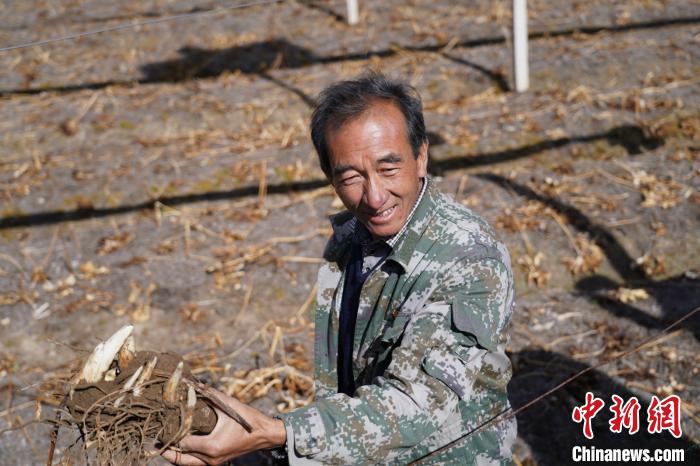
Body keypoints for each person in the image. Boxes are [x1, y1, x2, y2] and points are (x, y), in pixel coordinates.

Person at [162, 73, 516, 465]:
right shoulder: (350, 238)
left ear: (421, 157)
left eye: (388, 168)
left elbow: (415, 403)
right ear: (331, 179)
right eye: (351, 177)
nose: (375, 196)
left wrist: (279, 433)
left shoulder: (470, 259)